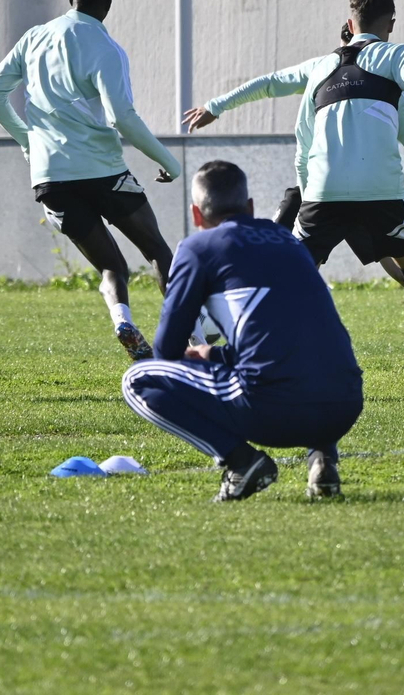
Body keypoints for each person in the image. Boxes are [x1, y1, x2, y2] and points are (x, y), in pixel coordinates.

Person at [183, 21, 404, 362]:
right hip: (327, 196)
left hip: (356, 196)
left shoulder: (384, 86)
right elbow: (276, 91)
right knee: (296, 272)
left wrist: (216, 106)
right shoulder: (330, 71)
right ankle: (234, 327)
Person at [122, 161, 364, 501]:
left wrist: (206, 355)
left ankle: (241, 461)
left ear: (196, 214)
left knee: (138, 379)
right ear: (250, 207)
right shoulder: (287, 241)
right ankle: (323, 456)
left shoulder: (198, 247)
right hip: (345, 404)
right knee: (309, 350)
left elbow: (167, 351)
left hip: (272, 410)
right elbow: (286, 332)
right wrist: (216, 354)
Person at [0, 0, 183, 360]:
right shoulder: (107, 49)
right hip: (103, 170)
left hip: (50, 179)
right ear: (107, 3)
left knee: (111, 266)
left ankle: (121, 319)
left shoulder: (34, 37)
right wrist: (168, 160)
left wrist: (28, 140)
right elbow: (123, 117)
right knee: (156, 249)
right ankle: (190, 337)